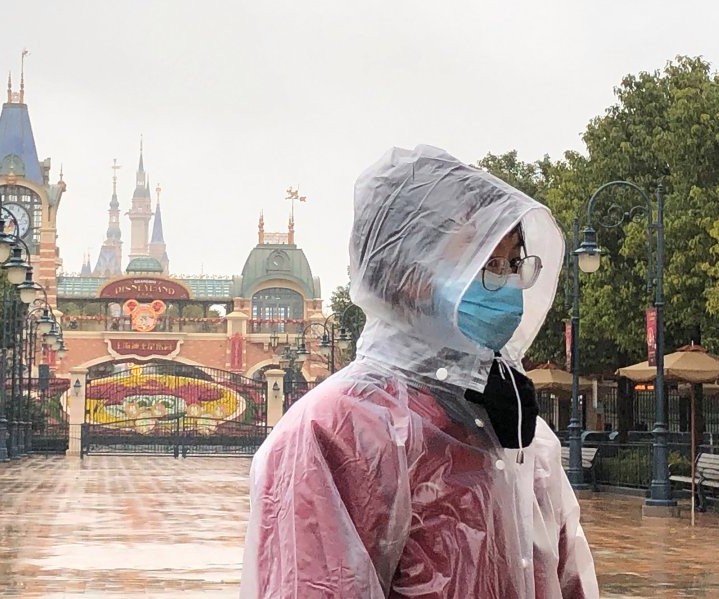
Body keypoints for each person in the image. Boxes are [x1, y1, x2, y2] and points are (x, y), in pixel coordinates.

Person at [240, 145, 598, 598]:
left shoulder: (527, 444)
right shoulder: (336, 437)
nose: (505, 284)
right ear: (407, 270)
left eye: (511, 264)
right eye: (484, 262)